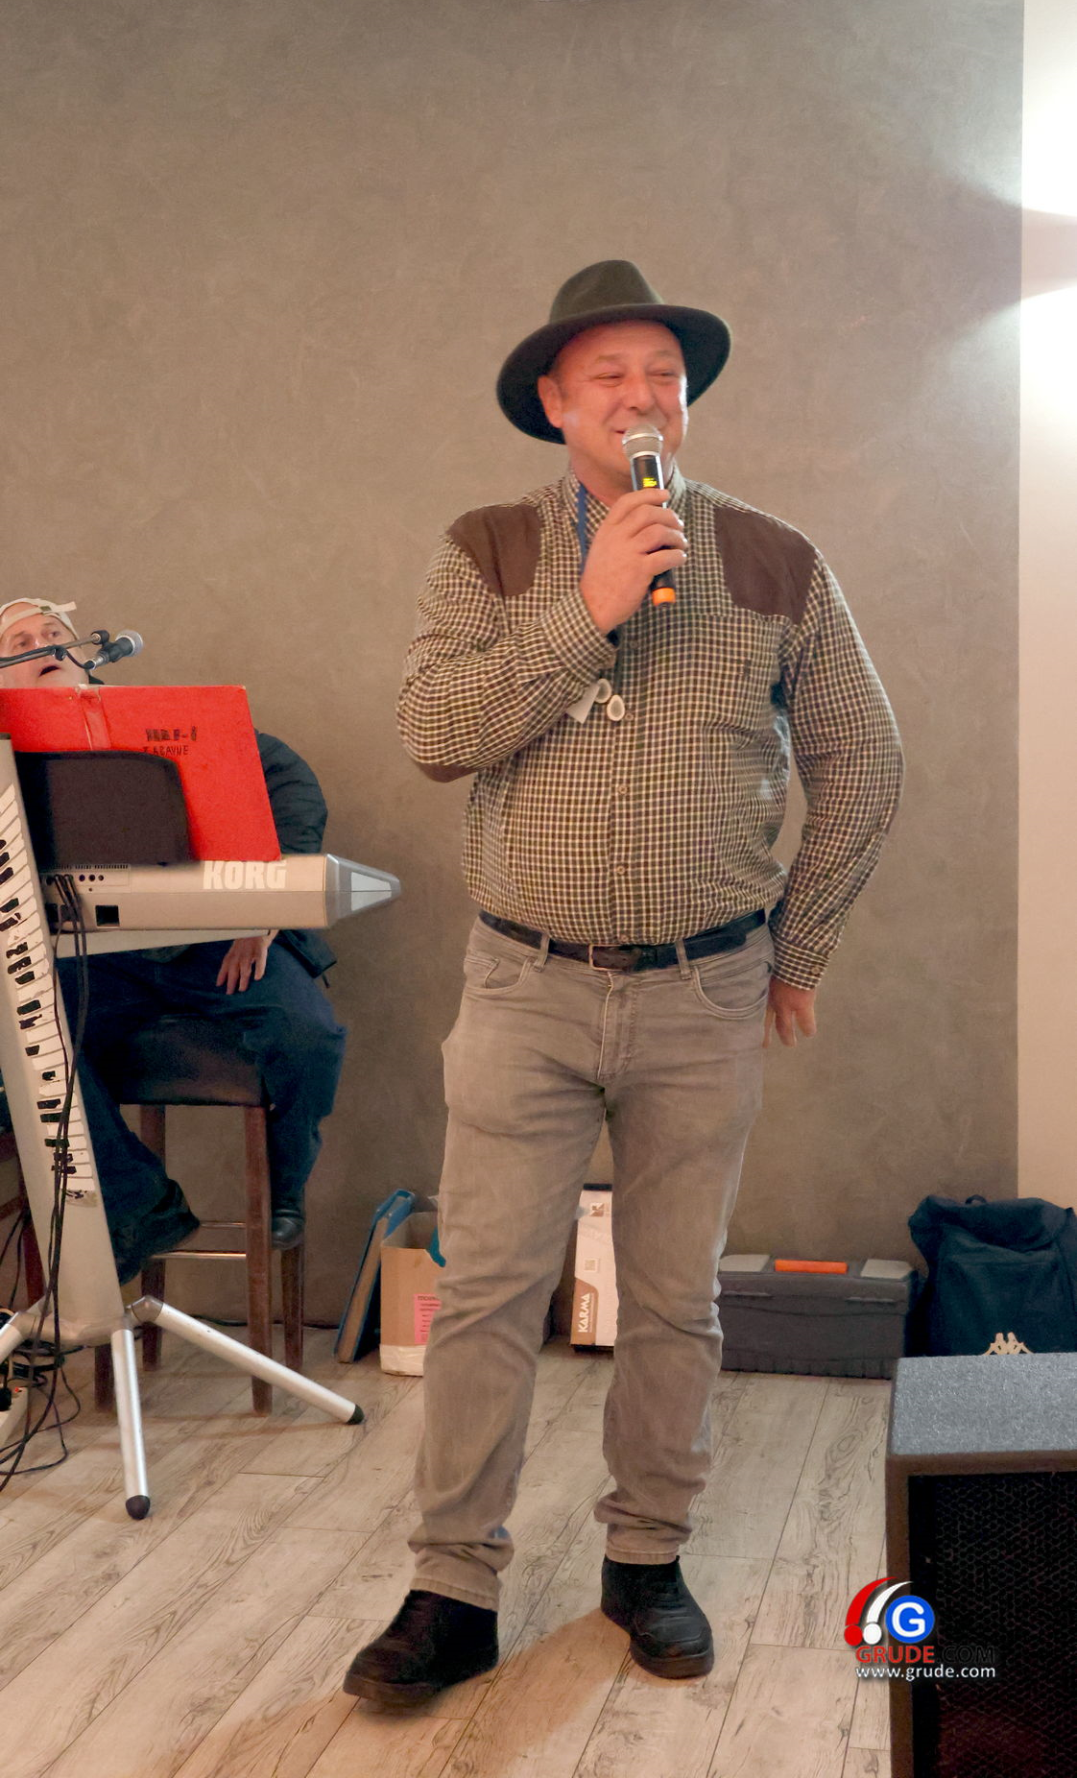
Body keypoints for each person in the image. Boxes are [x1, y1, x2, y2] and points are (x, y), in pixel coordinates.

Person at [344, 260, 903, 1708]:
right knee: (487, 1297)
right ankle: (452, 1589)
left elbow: (862, 756)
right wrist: (585, 609)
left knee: (673, 1301)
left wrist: (801, 945)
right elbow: (434, 731)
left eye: (666, 374)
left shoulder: (773, 557)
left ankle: (646, 1561)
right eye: (611, 375)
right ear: (554, 402)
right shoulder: (484, 550)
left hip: (702, 995)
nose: (643, 396)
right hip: (523, 987)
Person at [0, 596, 346, 1278]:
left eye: (55, 633)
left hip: (219, 947)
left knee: (309, 1033)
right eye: (22, 642)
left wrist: (262, 909)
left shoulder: (158, 719)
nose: (46, 646)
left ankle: (286, 1186)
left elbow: (288, 783)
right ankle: (137, 1203)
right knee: (17, 1035)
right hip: (92, 960)